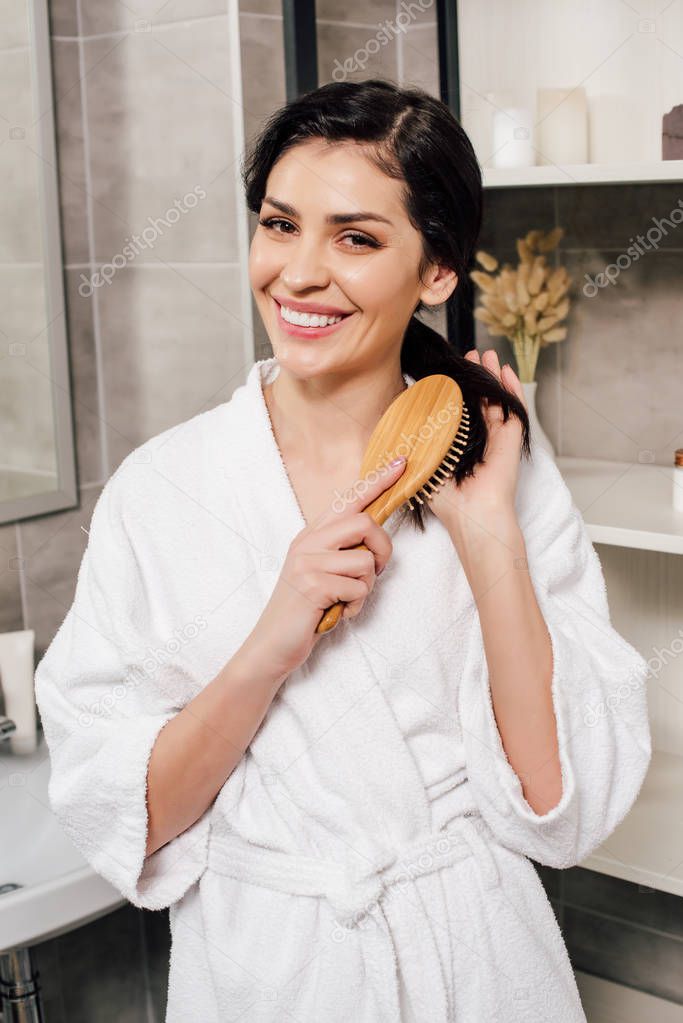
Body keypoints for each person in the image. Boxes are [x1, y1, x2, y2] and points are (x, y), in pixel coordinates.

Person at [35, 79, 651, 1022]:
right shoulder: (161, 493)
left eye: (355, 238)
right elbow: (131, 819)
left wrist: (486, 535)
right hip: (275, 972)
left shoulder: (502, 462)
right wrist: (277, 633)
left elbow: (555, 803)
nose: (299, 273)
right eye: (279, 225)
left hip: (474, 961)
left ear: (438, 271)